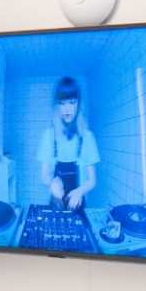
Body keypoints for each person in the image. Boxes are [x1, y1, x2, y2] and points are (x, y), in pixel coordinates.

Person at [44, 75, 103, 214]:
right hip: (55, 202)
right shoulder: (49, 135)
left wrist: (79, 191)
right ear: (56, 105)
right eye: (62, 103)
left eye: (72, 102)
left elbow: (92, 180)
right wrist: (52, 183)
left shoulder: (87, 137)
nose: (67, 109)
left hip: (78, 204)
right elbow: (44, 175)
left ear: (78, 104)